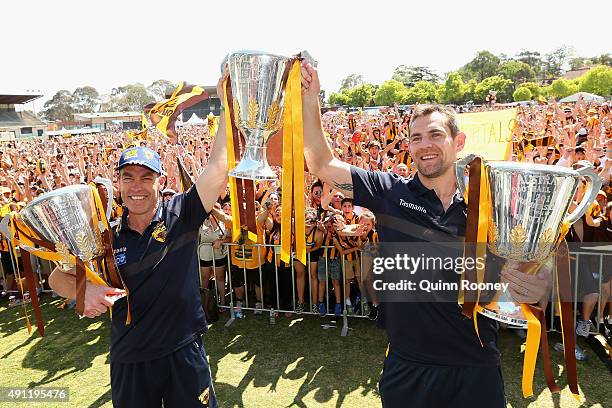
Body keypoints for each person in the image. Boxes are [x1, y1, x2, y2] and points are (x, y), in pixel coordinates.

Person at [300, 61, 551, 408]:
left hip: (476, 367)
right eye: (416, 138)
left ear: (458, 141)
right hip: (409, 366)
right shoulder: (388, 191)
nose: (425, 144)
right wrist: (311, 100)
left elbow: (530, 265)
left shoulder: (491, 204)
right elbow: (321, 164)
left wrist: (539, 284)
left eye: (435, 134)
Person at [47, 75, 230, 408]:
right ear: (117, 183)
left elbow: (219, 166)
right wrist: (82, 290)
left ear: (160, 182)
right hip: (130, 360)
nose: (137, 186)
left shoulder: (183, 213)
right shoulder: (104, 235)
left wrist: (228, 105)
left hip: (184, 354)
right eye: (128, 177)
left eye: (147, 177)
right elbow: (56, 276)